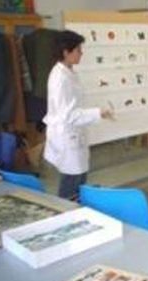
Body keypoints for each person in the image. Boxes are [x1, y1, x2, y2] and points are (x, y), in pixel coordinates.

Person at [43, 30, 114, 200]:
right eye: (78, 50)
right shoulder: (60, 77)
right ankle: (64, 216)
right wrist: (99, 112)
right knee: (71, 184)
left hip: (75, 135)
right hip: (67, 137)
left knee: (80, 182)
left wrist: (97, 113)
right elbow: (67, 115)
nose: (81, 53)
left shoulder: (69, 72)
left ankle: (77, 213)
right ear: (66, 52)